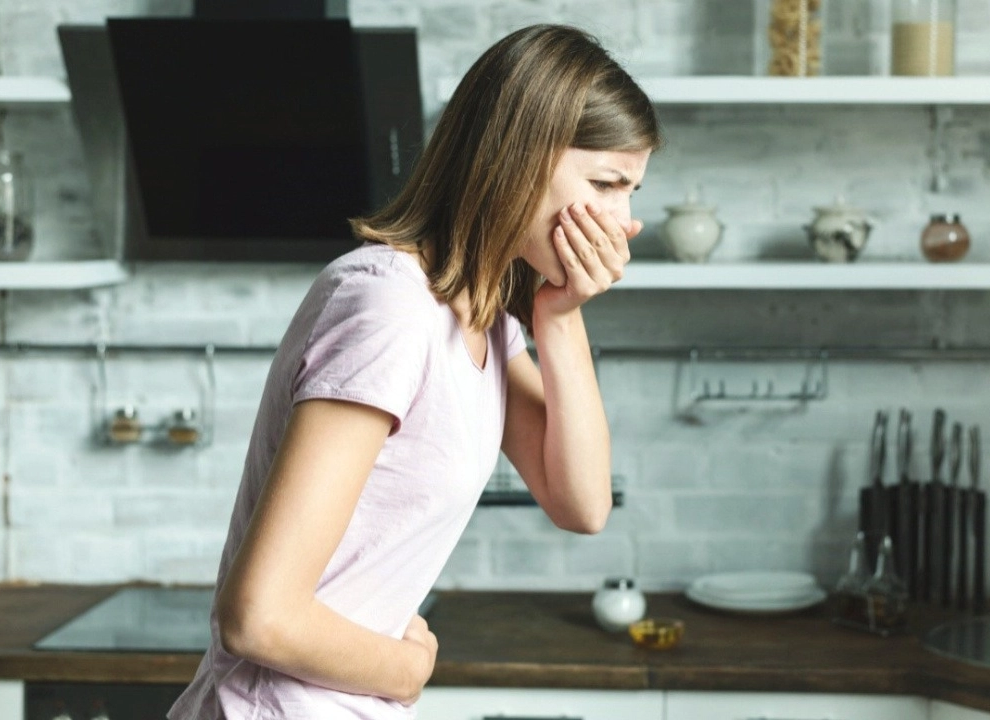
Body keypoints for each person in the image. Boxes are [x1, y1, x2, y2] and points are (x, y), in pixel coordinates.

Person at [168, 22, 661, 720]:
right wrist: (405, 670)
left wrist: (561, 315)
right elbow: (258, 615)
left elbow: (581, 504)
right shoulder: (390, 307)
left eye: (631, 191)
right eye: (606, 184)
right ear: (519, 157)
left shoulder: (484, 317)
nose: (623, 220)